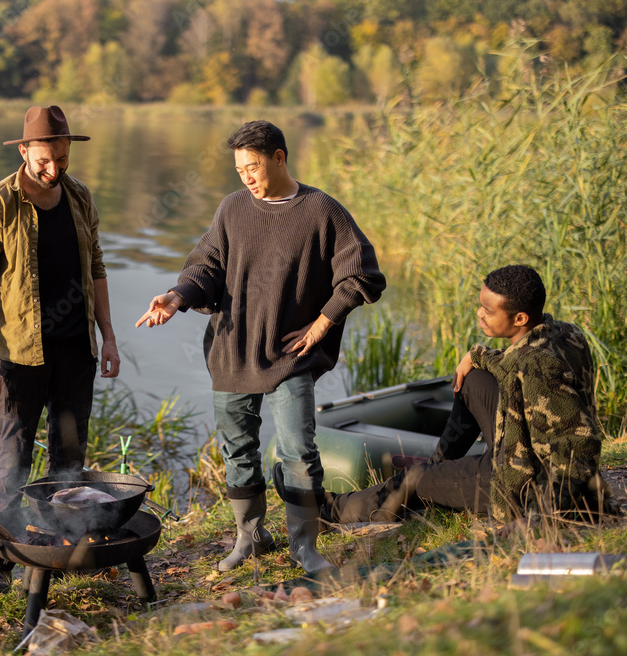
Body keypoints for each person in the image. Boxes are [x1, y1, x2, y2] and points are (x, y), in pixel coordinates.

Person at [136, 120, 385, 574]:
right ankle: (250, 537)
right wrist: (178, 296)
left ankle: (304, 546)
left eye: (253, 167)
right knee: (237, 451)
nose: (247, 178)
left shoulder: (321, 210)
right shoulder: (232, 209)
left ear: (279, 157)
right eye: (239, 171)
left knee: (298, 452)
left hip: (291, 356)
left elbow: (362, 275)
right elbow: (206, 265)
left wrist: (323, 322)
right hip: (232, 351)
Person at [314, 264, 618, 529]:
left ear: (520, 318)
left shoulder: (539, 368)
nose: (479, 313)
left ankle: (329, 510)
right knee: (471, 379)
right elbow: (513, 361)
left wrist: (538, 518)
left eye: (488, 310)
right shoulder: (563, 333)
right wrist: (477, 355)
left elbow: (581, 442)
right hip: (518, 451)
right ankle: (440, 468)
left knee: (415, 478)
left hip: (519, 486)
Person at [0, 105, 120, 600]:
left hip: (77, 349)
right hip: (19, 357)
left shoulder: (79, 196)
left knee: (69, 458)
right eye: (45, 159)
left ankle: (62, 546)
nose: (55, 169)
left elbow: (96, 266)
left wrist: (109, 336)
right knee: (11, 463)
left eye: (63, 158)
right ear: (25, 150)